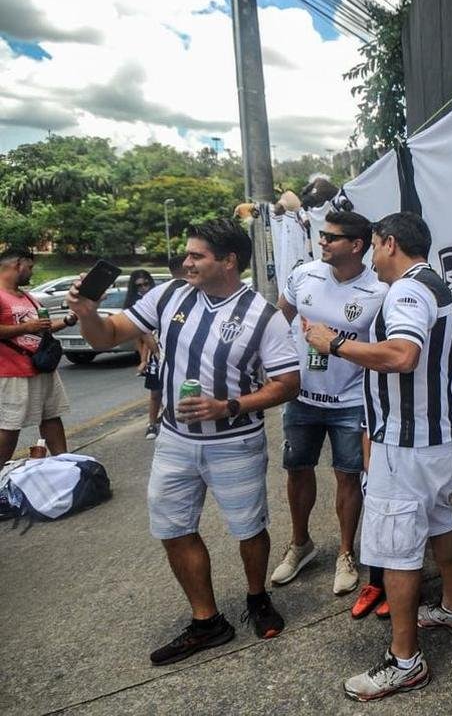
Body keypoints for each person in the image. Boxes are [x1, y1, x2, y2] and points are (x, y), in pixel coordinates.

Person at [67, 219, 301, 666]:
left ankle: (257, 597)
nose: (185, 262)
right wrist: (87, 312)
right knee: (174, 529)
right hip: (174, 441)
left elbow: (288, 383)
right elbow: (107, 336)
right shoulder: (170, 294)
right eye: (187, 255)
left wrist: (228, 406)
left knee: (248, 528)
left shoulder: (263, 315)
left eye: (197, 256)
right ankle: (207, 621)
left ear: (228, 261)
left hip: (235, 440)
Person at [304, 212, 452, 701]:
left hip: (407, 441)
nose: (373, 257)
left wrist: (334, 343)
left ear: (389, 243)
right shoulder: (434, 284)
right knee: (439, 518)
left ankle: (405, 662)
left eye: (374, 246)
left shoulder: (407, 291)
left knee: (398, 547)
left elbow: (403, 355)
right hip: (434, 436)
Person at [271, 211, 387, 597]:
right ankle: (300, 544)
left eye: (331, 237)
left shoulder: (378, 290)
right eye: (321, 235)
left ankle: (345, 553)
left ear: (356, 246)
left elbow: (382, 350)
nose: (322, 242)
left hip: (351, 400)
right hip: (301, 396)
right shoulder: (304, 274)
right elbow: (276, 320)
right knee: (297, 470)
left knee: (347, 476)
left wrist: (337, 344)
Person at [0, 247, 77, 465]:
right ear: (17, 265)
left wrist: (68, 321)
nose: (31, 272)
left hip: (41, 368)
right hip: (12, 372)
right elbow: (30, 327)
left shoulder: (29, 297)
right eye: (30, 267)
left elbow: (42, 328)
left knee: (51, 418)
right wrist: (26, 327)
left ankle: (65, 465)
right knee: (9, 426)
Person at [123, 270, 162, 439]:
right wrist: (144, 358)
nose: (144, 288)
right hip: (154, 350)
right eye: (139, 285)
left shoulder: (159, 298)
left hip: (162, 347)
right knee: (155, 392)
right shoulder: (133, 306)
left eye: (146, 284)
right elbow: (140, 336)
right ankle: (152, 424)